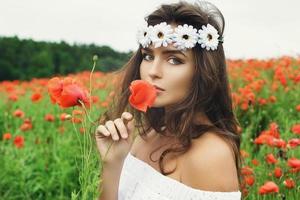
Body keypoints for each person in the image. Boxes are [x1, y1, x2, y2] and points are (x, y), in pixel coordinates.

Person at [95, 1, 242, 199]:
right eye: (147, 56)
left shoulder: (211, 155)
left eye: (174, 59)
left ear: (204, 71)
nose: (153, 72)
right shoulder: (149, 133)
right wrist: (112, 164)